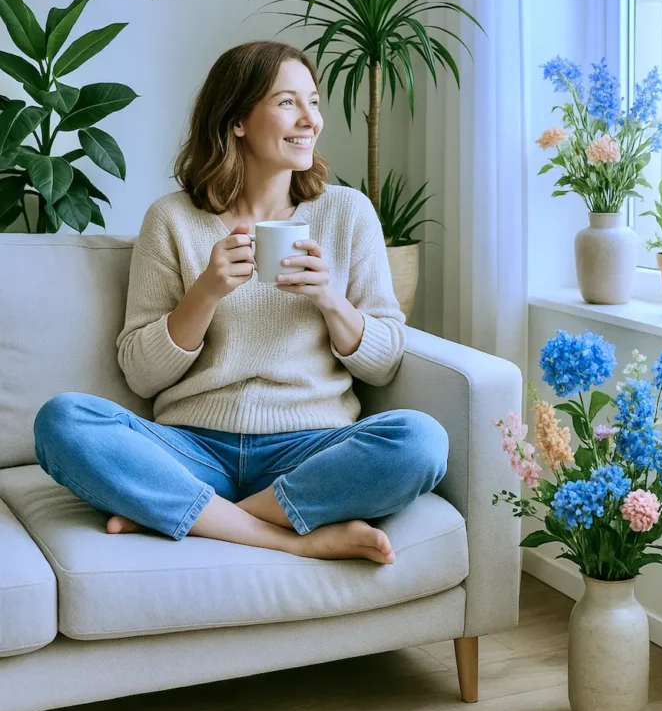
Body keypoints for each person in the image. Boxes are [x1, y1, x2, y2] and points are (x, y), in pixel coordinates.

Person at [34, 41, 448, 564]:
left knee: (421, 442)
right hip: (192, 448)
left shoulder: (347, 213)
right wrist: (206, 290)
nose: (310, 120)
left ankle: (196, 515)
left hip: (309, 448)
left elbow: (386, 360)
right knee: (61, 421)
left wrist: (329, 298)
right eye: (287, 102)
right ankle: (283, 533)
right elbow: (140, 374)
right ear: (237, 121)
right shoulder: (172, 219)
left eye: (313, 102)